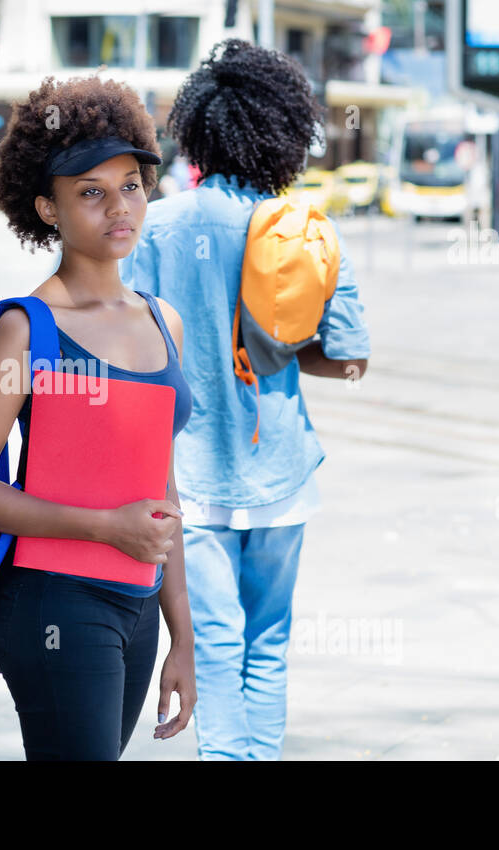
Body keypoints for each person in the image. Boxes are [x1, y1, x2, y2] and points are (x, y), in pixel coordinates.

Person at [121, 39, 372, 760]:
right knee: (269, 642)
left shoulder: (154, 226)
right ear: (286, 133)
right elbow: (351, 356)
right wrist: (280, 349)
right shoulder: (310, 232)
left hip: (186, 476)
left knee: (213, 643)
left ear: (196, 130)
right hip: (284, 472)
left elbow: (109, 334)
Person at [0, 75, 196, 761]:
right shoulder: (29, 329)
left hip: (137, 603)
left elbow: (163, 490)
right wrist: (106, 527)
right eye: (91, 191)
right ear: (48, 207)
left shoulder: (163, 320)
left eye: (132, 184)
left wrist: (184, 638)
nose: (120, 206)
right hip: (56, 601)